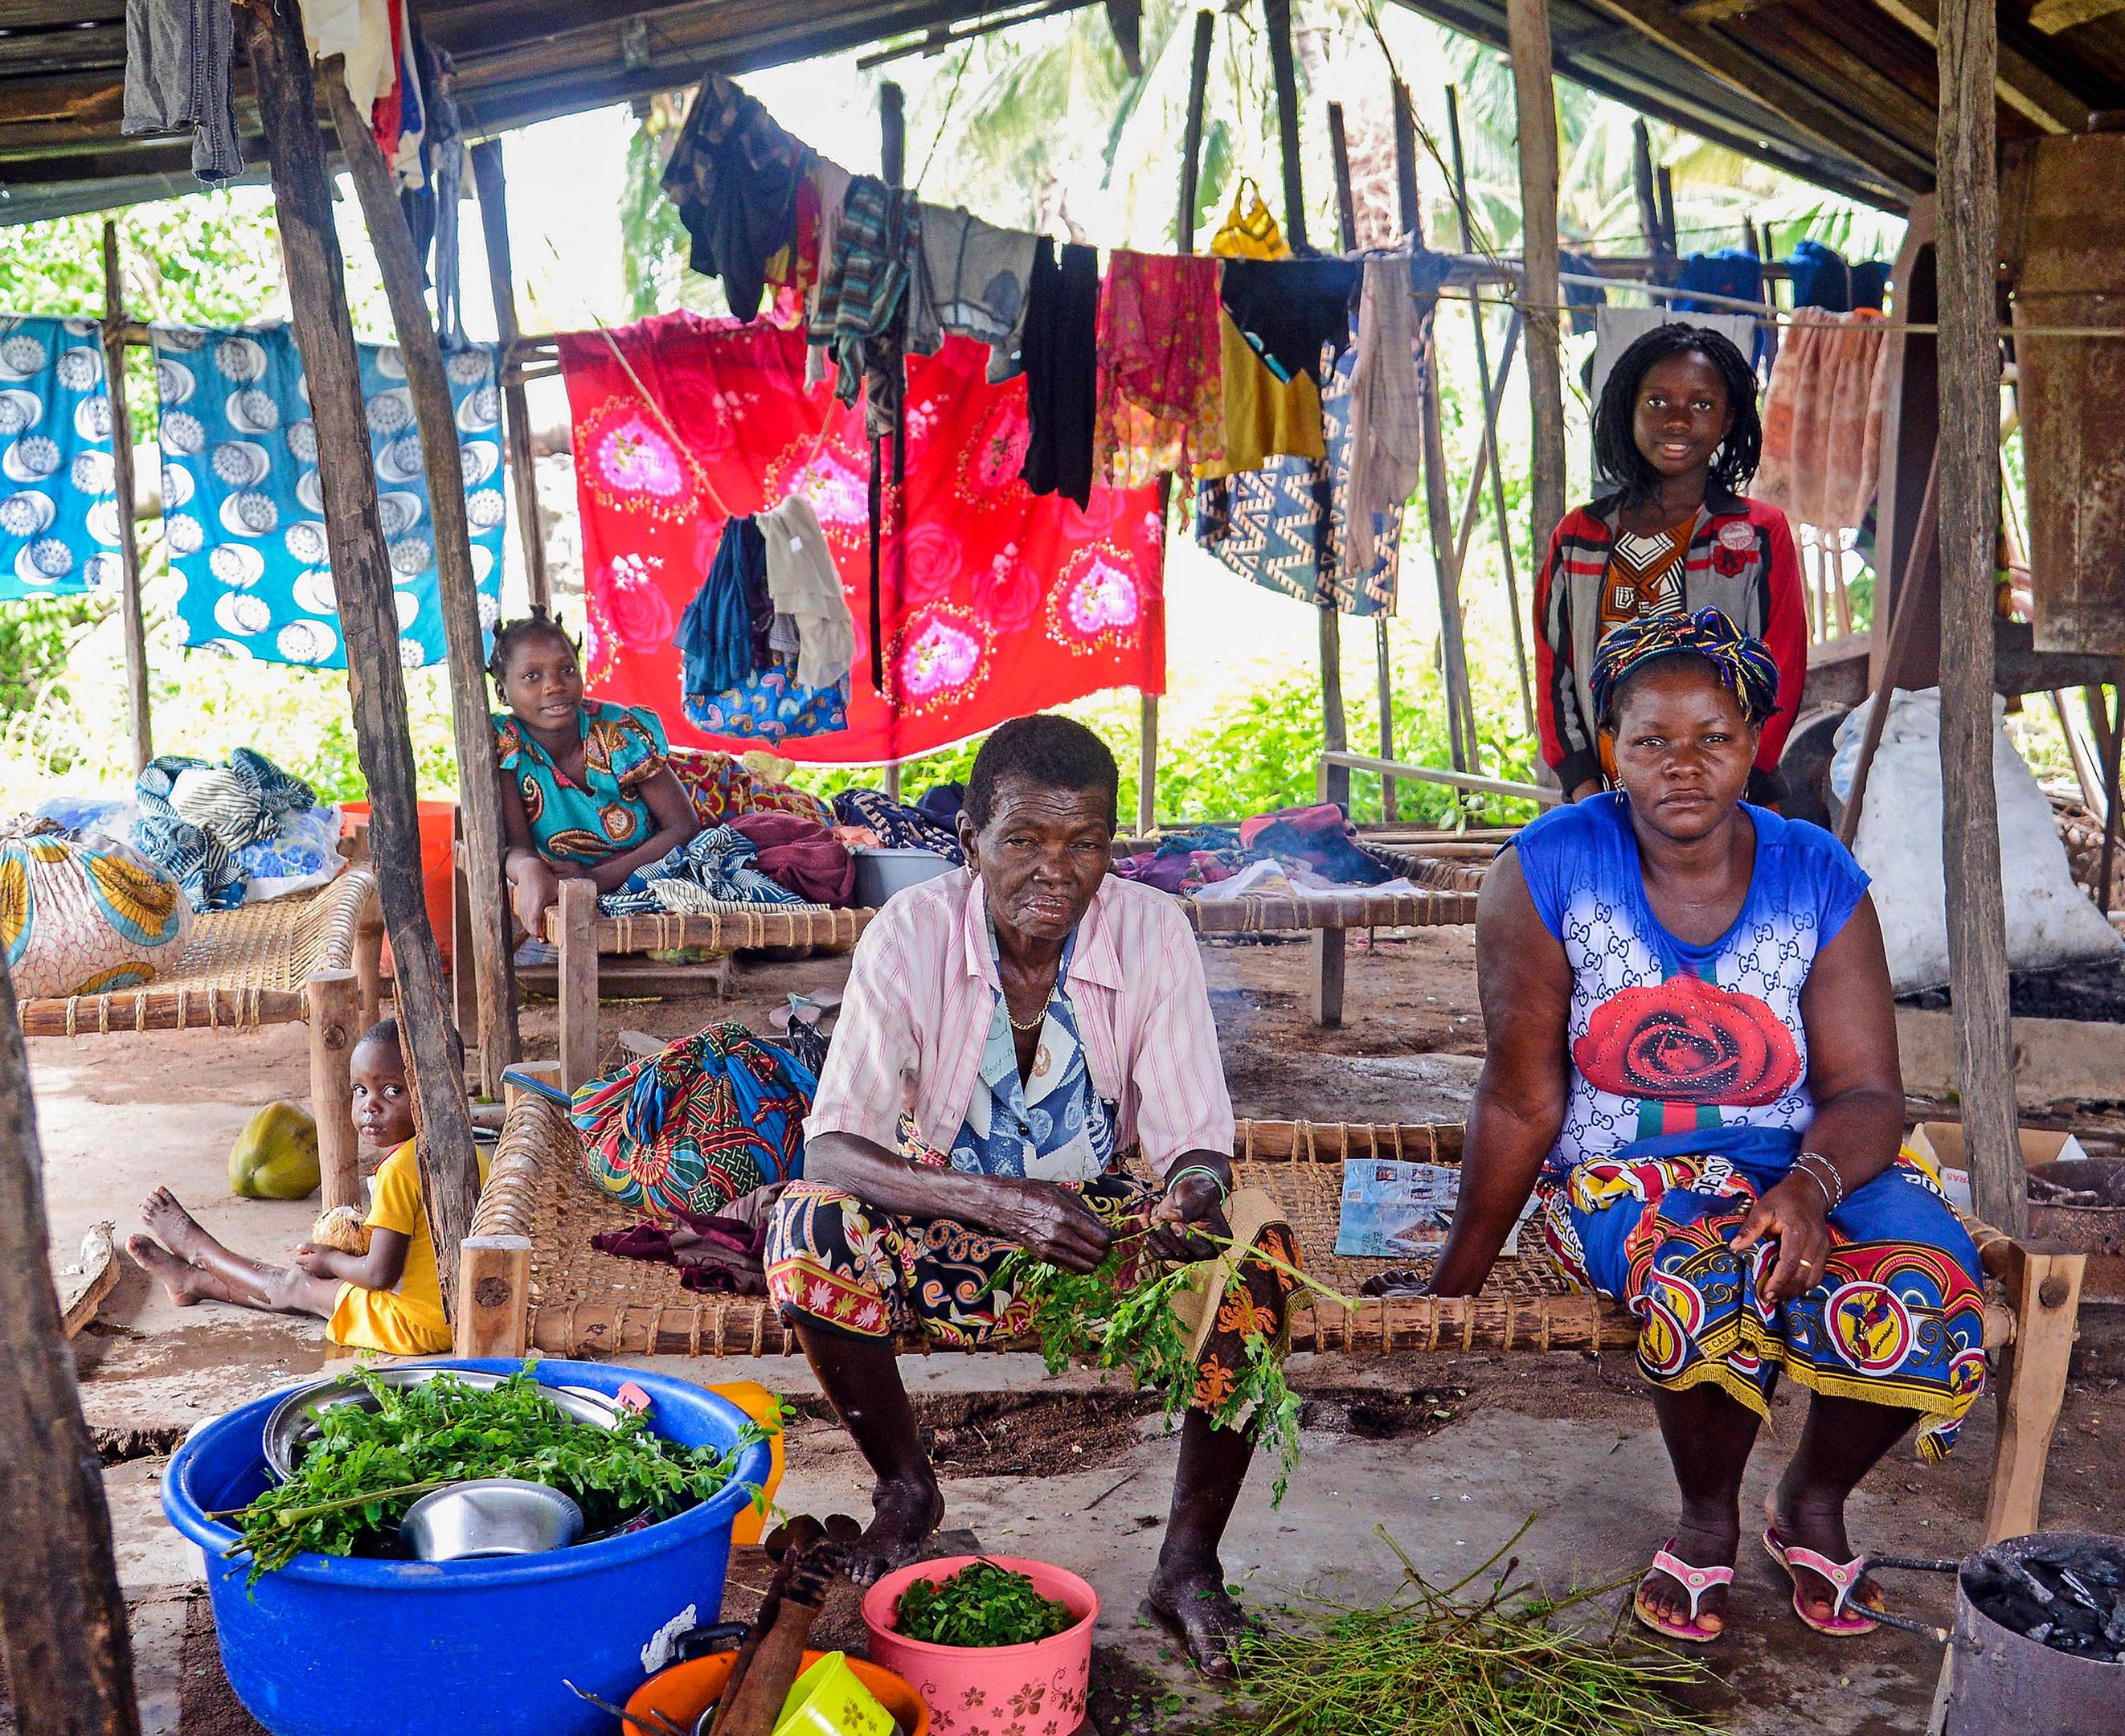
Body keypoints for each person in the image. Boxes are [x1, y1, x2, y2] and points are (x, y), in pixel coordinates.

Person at [1373, 610, 1987, 1644]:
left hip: (1809, 1160)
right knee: (1696, 1284)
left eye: (1714, 737)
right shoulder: (1547, 870)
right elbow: (1522, 1097)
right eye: (1651, 740)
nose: (1684, 765)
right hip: (1624, 1174)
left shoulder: (1818, 878)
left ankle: (1814, 1502)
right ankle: (1707, 1521)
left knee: (1932, 1283)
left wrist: (1813, 1190)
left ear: (1756, 744)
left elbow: (1872, 1094)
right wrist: (1456, 1279)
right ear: (1612, 751)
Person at [762, 714, 1289, 1678]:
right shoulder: (909, 933)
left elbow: (1195, 1140)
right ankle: (908, 1489)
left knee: (1260, 1262)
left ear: (1111, 849)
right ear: (970, 847)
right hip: (941, 1226)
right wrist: (997, 1204)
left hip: (1100, 1241)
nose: (1058, 870)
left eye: (1085, 843)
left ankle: (1187, 1564)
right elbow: (834, 1148)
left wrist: (1193, 1196)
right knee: (807, 1228)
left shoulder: (1153, 931)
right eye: (1024, 842)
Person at [1532, 324, 1804, 807]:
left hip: (1730, 802)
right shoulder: (1579, 537)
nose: (1677, 420)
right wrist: (1583, 788)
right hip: (1604, 801)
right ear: (1628, 410)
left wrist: (1740, 783)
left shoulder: (1759, 533)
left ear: (1728, 419)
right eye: (1657, 402)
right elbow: (1556, 670)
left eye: (1701, 405)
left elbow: (1780, 665)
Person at [126, 1019, 479, 1357]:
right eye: (361, 1090)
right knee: (311, 1291)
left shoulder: (401, 1169)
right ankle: (193, 1281)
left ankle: (200, 1249)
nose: (370, 1106)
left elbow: (378, 1275)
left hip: (414, 1325)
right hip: (458, 1310)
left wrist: (331, 1260)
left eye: (392, 1091)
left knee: (297, 1286)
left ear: (439, 1089)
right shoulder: (470, 1149)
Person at [490, 612, 705, 941]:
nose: (554, 685)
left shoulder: (618, 733)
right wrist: (529, 869)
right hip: (587, 877)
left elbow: (684, 826)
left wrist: (594, 879)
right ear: (502, 692)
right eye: (532, 676)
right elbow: (517, 847)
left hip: (704, 792)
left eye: (567, 670)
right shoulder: (508, 750)